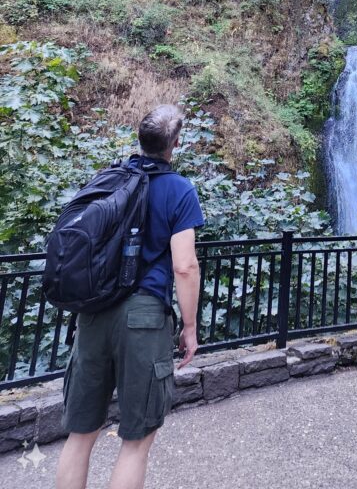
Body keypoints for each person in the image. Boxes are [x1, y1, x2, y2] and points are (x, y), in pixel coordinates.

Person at [55, 105, 204, 489]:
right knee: (136, 440)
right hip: (144, 317)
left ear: (140, 139)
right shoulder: (180, 190)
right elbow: (184, 266)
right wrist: (189, 326)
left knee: (81, 432)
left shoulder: (109, 178)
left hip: (93, 311)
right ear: (176, 143)